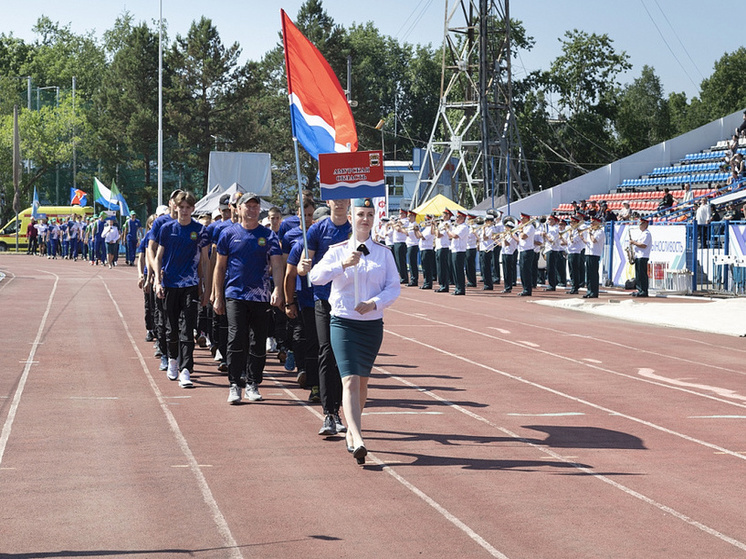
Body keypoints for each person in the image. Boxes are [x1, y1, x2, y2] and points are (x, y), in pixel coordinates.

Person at [308, 197, 401, 465]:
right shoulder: (338, 250)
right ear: (351, 217)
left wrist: (375, 303)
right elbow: (316, 277)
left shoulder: (384, 253)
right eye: (360, 214)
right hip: (344, 322)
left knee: (362, 382)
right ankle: (358, 436)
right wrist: (343, 264)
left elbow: (393, 287)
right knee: (348, 379)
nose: (365, 219)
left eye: (370, 215)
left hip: (371, 326)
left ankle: (351, 429)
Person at [213, 192, 284, 404]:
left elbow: (278, 264)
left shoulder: (269, 236)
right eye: (248, 206)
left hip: (260, 296)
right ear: (239, 208)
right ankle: (235, 384)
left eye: (255, 206)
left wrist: (278, 289)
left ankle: (253, 383)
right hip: (235, 294)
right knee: (236, 337)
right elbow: (220, 266)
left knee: (258, 340)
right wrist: (217, 296)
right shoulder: (228, 234)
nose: (252, 210)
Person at [297, 198, 352, 436]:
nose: (340, 203)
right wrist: (304, 266)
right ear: (328, 201)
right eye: (335, 198)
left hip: (350, 302)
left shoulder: (355, 228)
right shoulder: (318, 229)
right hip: (323, 299)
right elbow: (301, 267)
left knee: (346, 357)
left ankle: (345, 410)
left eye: (344, 198)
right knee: (327, 352)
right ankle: (330, 413)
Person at [153, 191, 211, 388]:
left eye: (188, 208)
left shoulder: (200, 230)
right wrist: (157, 281)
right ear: (175, 207)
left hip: (190, 286)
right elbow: (158, 256)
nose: (185, 211)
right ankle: (172, 360)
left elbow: (205, 260)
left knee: (187, 329)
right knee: (172, 329)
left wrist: (206, 287)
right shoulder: (166, 228)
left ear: (193, 209)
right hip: (170, 284)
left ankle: (186, 369)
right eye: (181, 207)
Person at [447, 210, 470, 296]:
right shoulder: (457, 227)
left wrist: (447, 230)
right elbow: (450, 236)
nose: (456, 218)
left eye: (458, 217)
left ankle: (461, 288)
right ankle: (458, 287)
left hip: (460, 250)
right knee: (455, 270)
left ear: (462, 218)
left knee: (459, 270)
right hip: (455, 249)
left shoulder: (464, 227)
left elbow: (455, 236)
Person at [629, 216, 652, 297]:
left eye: (641, 224)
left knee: (642, 275)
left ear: (645, 224)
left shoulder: (647, 234)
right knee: (638, 275)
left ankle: (643, 290)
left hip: (643, 256)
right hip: (638, 256)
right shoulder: (642, 234)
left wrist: (633, 242)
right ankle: (639, 290)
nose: (639, 226)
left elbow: (643, 245)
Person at [581, 217, 604, 298]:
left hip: (595, 254)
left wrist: (590, 233)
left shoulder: (600, 232)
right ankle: (589, 290)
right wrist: (582, 238)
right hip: (588, 253)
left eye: (593, 222)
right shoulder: (592, 232)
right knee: (589, 274)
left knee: (593, 274)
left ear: (597, 223)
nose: (591, 224)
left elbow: (594, 240)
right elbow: (588, 242)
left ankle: (594, 292)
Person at [515, 212, 536, 296]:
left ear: (527, 219)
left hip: (528, 251)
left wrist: (520, 230)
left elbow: (523, 236)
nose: (521, 220)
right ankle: (525, 288)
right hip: (522, 250)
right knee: (522, 271)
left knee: (526, 271)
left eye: (523, 218)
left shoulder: (530, 227)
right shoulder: (524, 227)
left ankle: (528, 289)